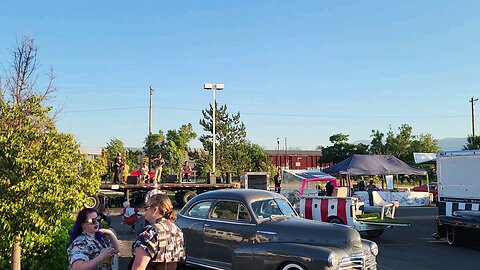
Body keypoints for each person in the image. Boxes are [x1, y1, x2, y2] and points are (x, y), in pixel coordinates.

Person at [129, 193, 185, 270]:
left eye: (146, 208)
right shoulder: (177, 230)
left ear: (155, 209)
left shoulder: (150, 232)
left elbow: (139, 266)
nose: (144, 212)